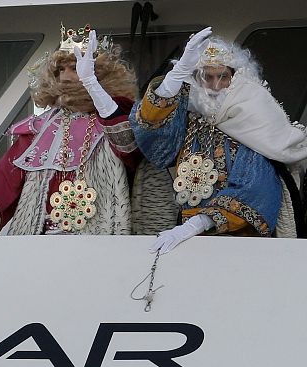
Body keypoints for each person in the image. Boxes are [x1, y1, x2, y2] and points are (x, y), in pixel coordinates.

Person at [0, 25, 138, 244]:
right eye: (61, 70)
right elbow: (4, 182)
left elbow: (130, 152)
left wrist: (92, 87)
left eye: (75, 68)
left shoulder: (118, 118)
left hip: (98, 243)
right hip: (37, 245)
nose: (65, 78)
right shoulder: (38, 129)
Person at [131, 28, 307, 253]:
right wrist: (175, 77)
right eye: (206, 76)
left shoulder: (252, 119)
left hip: (240, 242)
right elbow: (153, 139)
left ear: (235, 76)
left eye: (222, 76)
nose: (215, 86)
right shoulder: (187, 118)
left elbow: (257, 186)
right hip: (183, 240)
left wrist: (201, 222)